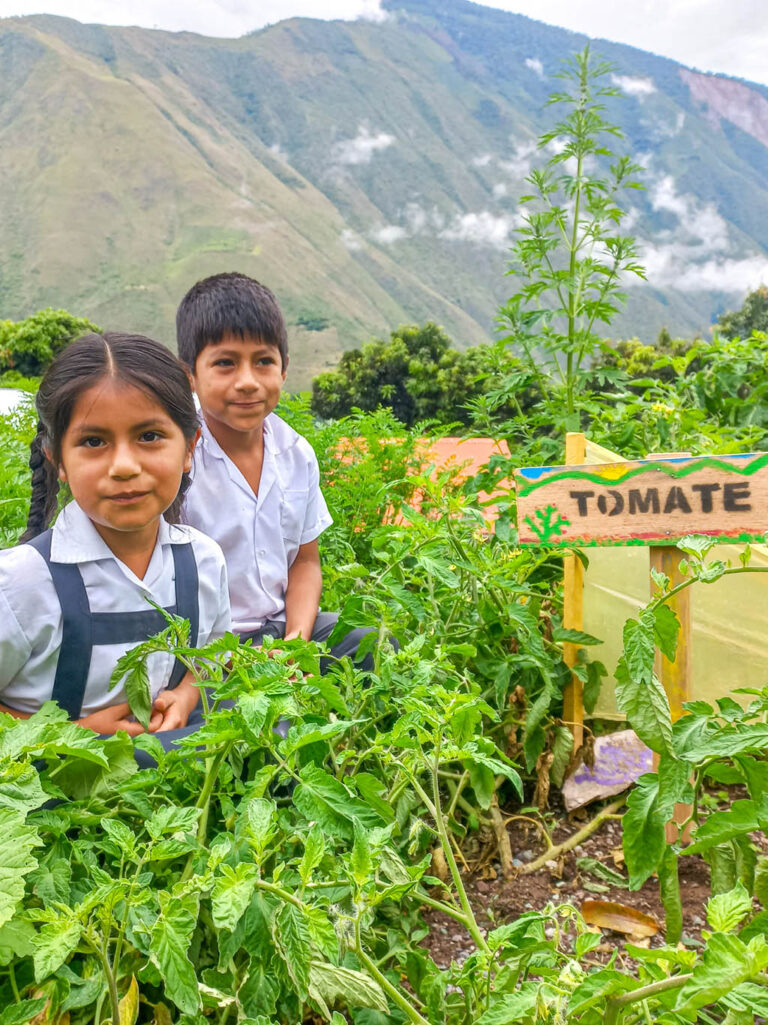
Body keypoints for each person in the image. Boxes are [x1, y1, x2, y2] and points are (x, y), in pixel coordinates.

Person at [0, 333, 231, 749]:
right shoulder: (21, 582)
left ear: (189, 448)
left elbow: (212, 655)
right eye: (93, 442)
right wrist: (76, 736)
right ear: (58, 459)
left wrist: (186, 695)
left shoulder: (203, 561)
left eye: (149, 436)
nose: (124, 466)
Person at [176, 272, 377, 667]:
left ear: (284, 369)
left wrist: (296, 643)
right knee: (268, 721)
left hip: (282, 628)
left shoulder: (296, 453)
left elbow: (305, 562)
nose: (248, 382)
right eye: (226, 363)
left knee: (367, 642)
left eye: (264, 361)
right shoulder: (180, 459)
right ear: (191, 377)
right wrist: (224, 658)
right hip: (206, 645)